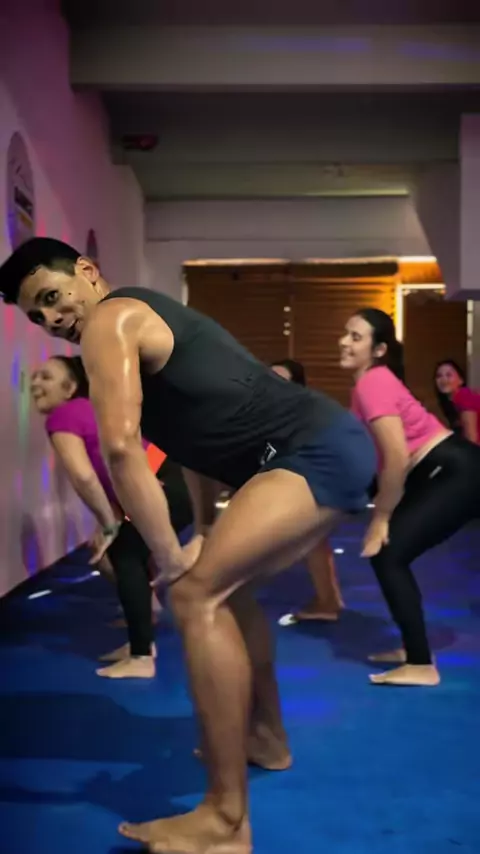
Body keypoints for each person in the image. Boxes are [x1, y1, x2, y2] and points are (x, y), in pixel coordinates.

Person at [1, 237, 376, 854]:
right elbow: (200, 446)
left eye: (51, 296)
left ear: (87, 273)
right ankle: (266, 737)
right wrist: (201, 531)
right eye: (36, 315)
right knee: (228, 591)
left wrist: (171, 561)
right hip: (305, 450)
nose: (50, 318)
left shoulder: (112, 320)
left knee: (196, 595)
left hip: (312, 448)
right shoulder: (136, 329)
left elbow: (121, 449)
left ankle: (224, 821)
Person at [340, 308, 480, 688]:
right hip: (446, 470)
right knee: (389, 554)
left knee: (389, 553)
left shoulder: (372, 383)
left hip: (454, 471)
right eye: (346, 334)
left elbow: (397, 457)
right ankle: (413, 651)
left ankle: (420, 663)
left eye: (355, 337)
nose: (344, 342)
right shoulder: (370, 383)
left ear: (379, 349)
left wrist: (381, 517)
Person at [30, 354, 193, 679]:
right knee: (123, 552)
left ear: (70, 387)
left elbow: (84, 477)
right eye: (34, 377)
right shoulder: (87, 410)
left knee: (124, 551)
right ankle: (143, 634)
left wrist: (109, 523)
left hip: (162, 487)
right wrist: (114, 517)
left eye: (46, 377)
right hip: (168, 482)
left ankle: (142, 655)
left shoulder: (63, 416)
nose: (35, 383)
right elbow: (123, 465)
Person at [270, 359, 344, 622]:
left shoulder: (300, 413)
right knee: (312, 542)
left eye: (281, 380)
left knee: (312, 541)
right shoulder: (277, 412)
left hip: (318, 479)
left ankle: (328, 602)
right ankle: (329, 599)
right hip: (304, 480)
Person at [434, 359, 480, 443]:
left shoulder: (464, 396)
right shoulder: (452, 402)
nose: (443, 379)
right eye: (439, 376)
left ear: (461, 380)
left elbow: (472, 438)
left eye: (449, 375)